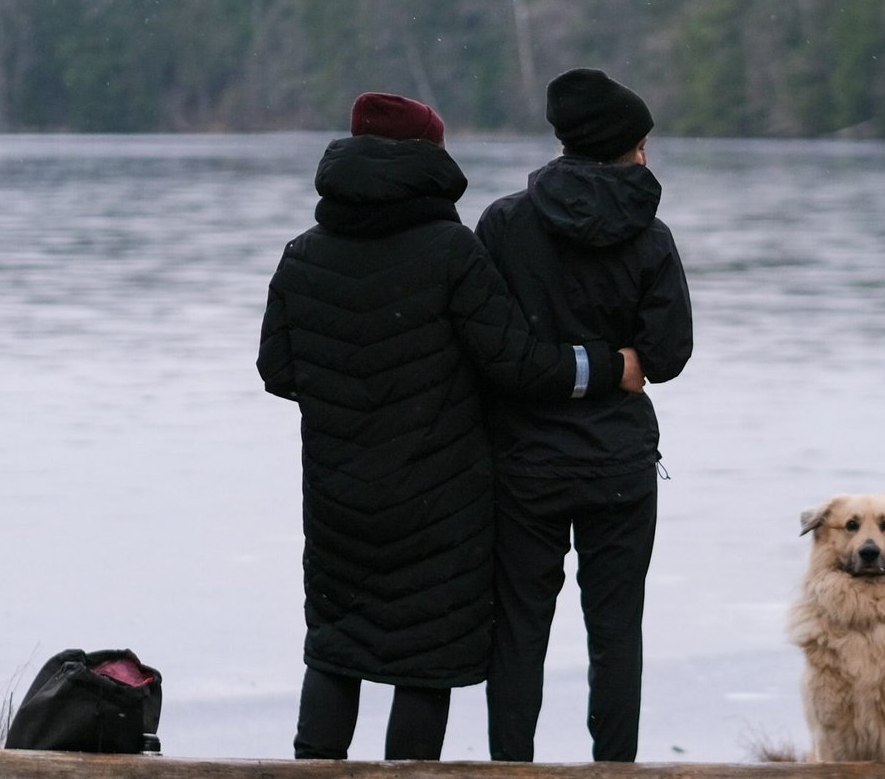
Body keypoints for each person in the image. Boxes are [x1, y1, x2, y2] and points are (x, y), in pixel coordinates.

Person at [256, 91, 644, 761]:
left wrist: (355, 397)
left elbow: (277, 369)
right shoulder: (451, 253)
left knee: (336, 648)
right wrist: (608, 367)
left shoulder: (303, 254)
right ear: (428, 160)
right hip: (440, 496)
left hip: (338, 493)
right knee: (422, 659)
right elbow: (516, 365)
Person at [475, 68, 694, 762]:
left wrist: (553, 361)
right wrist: (616, 362)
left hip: (524, 463)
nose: (648, 154)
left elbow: (492, 348)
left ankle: (509, 768)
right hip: (619, 465)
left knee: (518, 631)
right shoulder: (650, 236)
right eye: (643, 142)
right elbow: (668, 355)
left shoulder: (506, 224)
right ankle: (615, 770)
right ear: (626, 147)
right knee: (615, 630)